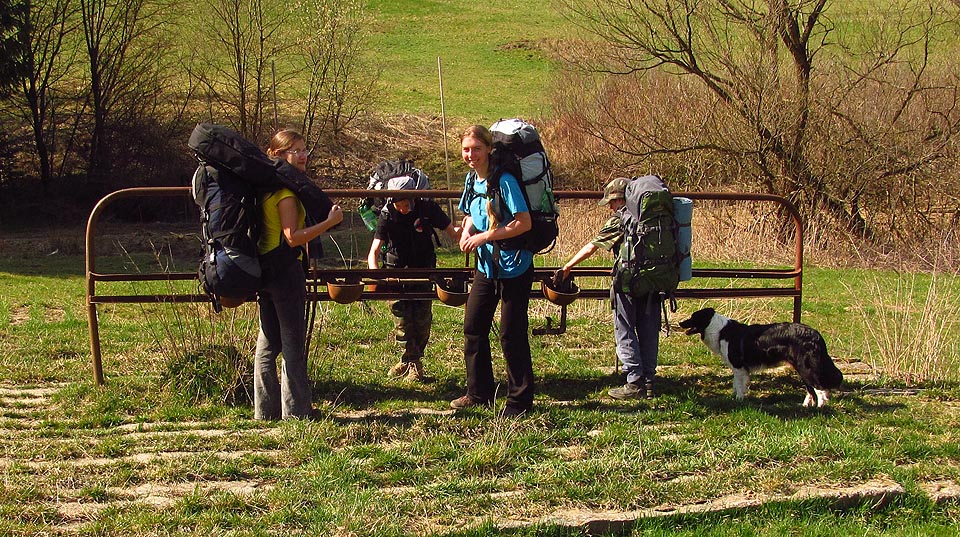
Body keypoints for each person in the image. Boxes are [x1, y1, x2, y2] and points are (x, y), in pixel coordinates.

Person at [255, 128, 343, 419]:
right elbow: (293, 236)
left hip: (264, 269)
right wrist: (329, 223)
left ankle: (265, 411)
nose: (304, 155)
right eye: (296, 150)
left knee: (268, 342)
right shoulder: (285, 192)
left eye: (305, 149)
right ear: (279, 155)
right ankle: (296, 413)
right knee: (292, 343)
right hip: (284, 271)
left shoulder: (264, 187)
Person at [451, 125, 535, 417]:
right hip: (487, 267)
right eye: (465, 149)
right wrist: (467, 232)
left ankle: (519, 402)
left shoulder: (506, 181)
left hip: (514, 267)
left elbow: (524, 222)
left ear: (488, 149)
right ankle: (478, 393)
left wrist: (485, 236)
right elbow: (470, 214)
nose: (470, 155)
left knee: (511, 334)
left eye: (475, 148)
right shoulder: (471, 181)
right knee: (473, 327)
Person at [558, 177, 660, 400]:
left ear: (621, 199)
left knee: (624, 328)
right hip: (655, 278)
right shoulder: (655, 217)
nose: (611, 208)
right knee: (649, 329)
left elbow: (592, 247)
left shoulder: (621, 219)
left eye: (612, 203)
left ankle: (634, 382)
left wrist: (568, 265)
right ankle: (650, 381)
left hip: (628, 282)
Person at [366, 175, 460, 382]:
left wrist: (470, 239)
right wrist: (376, 276)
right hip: (396, 270)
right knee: (402, 319)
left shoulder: (427, 208)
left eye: (406, 204)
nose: (403, 209)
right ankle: (410, 362)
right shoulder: (387, 214)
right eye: (398, 205)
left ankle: (412, 360)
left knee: (422, 317)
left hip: (424, 269)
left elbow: (453, 232)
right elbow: (374, 251)